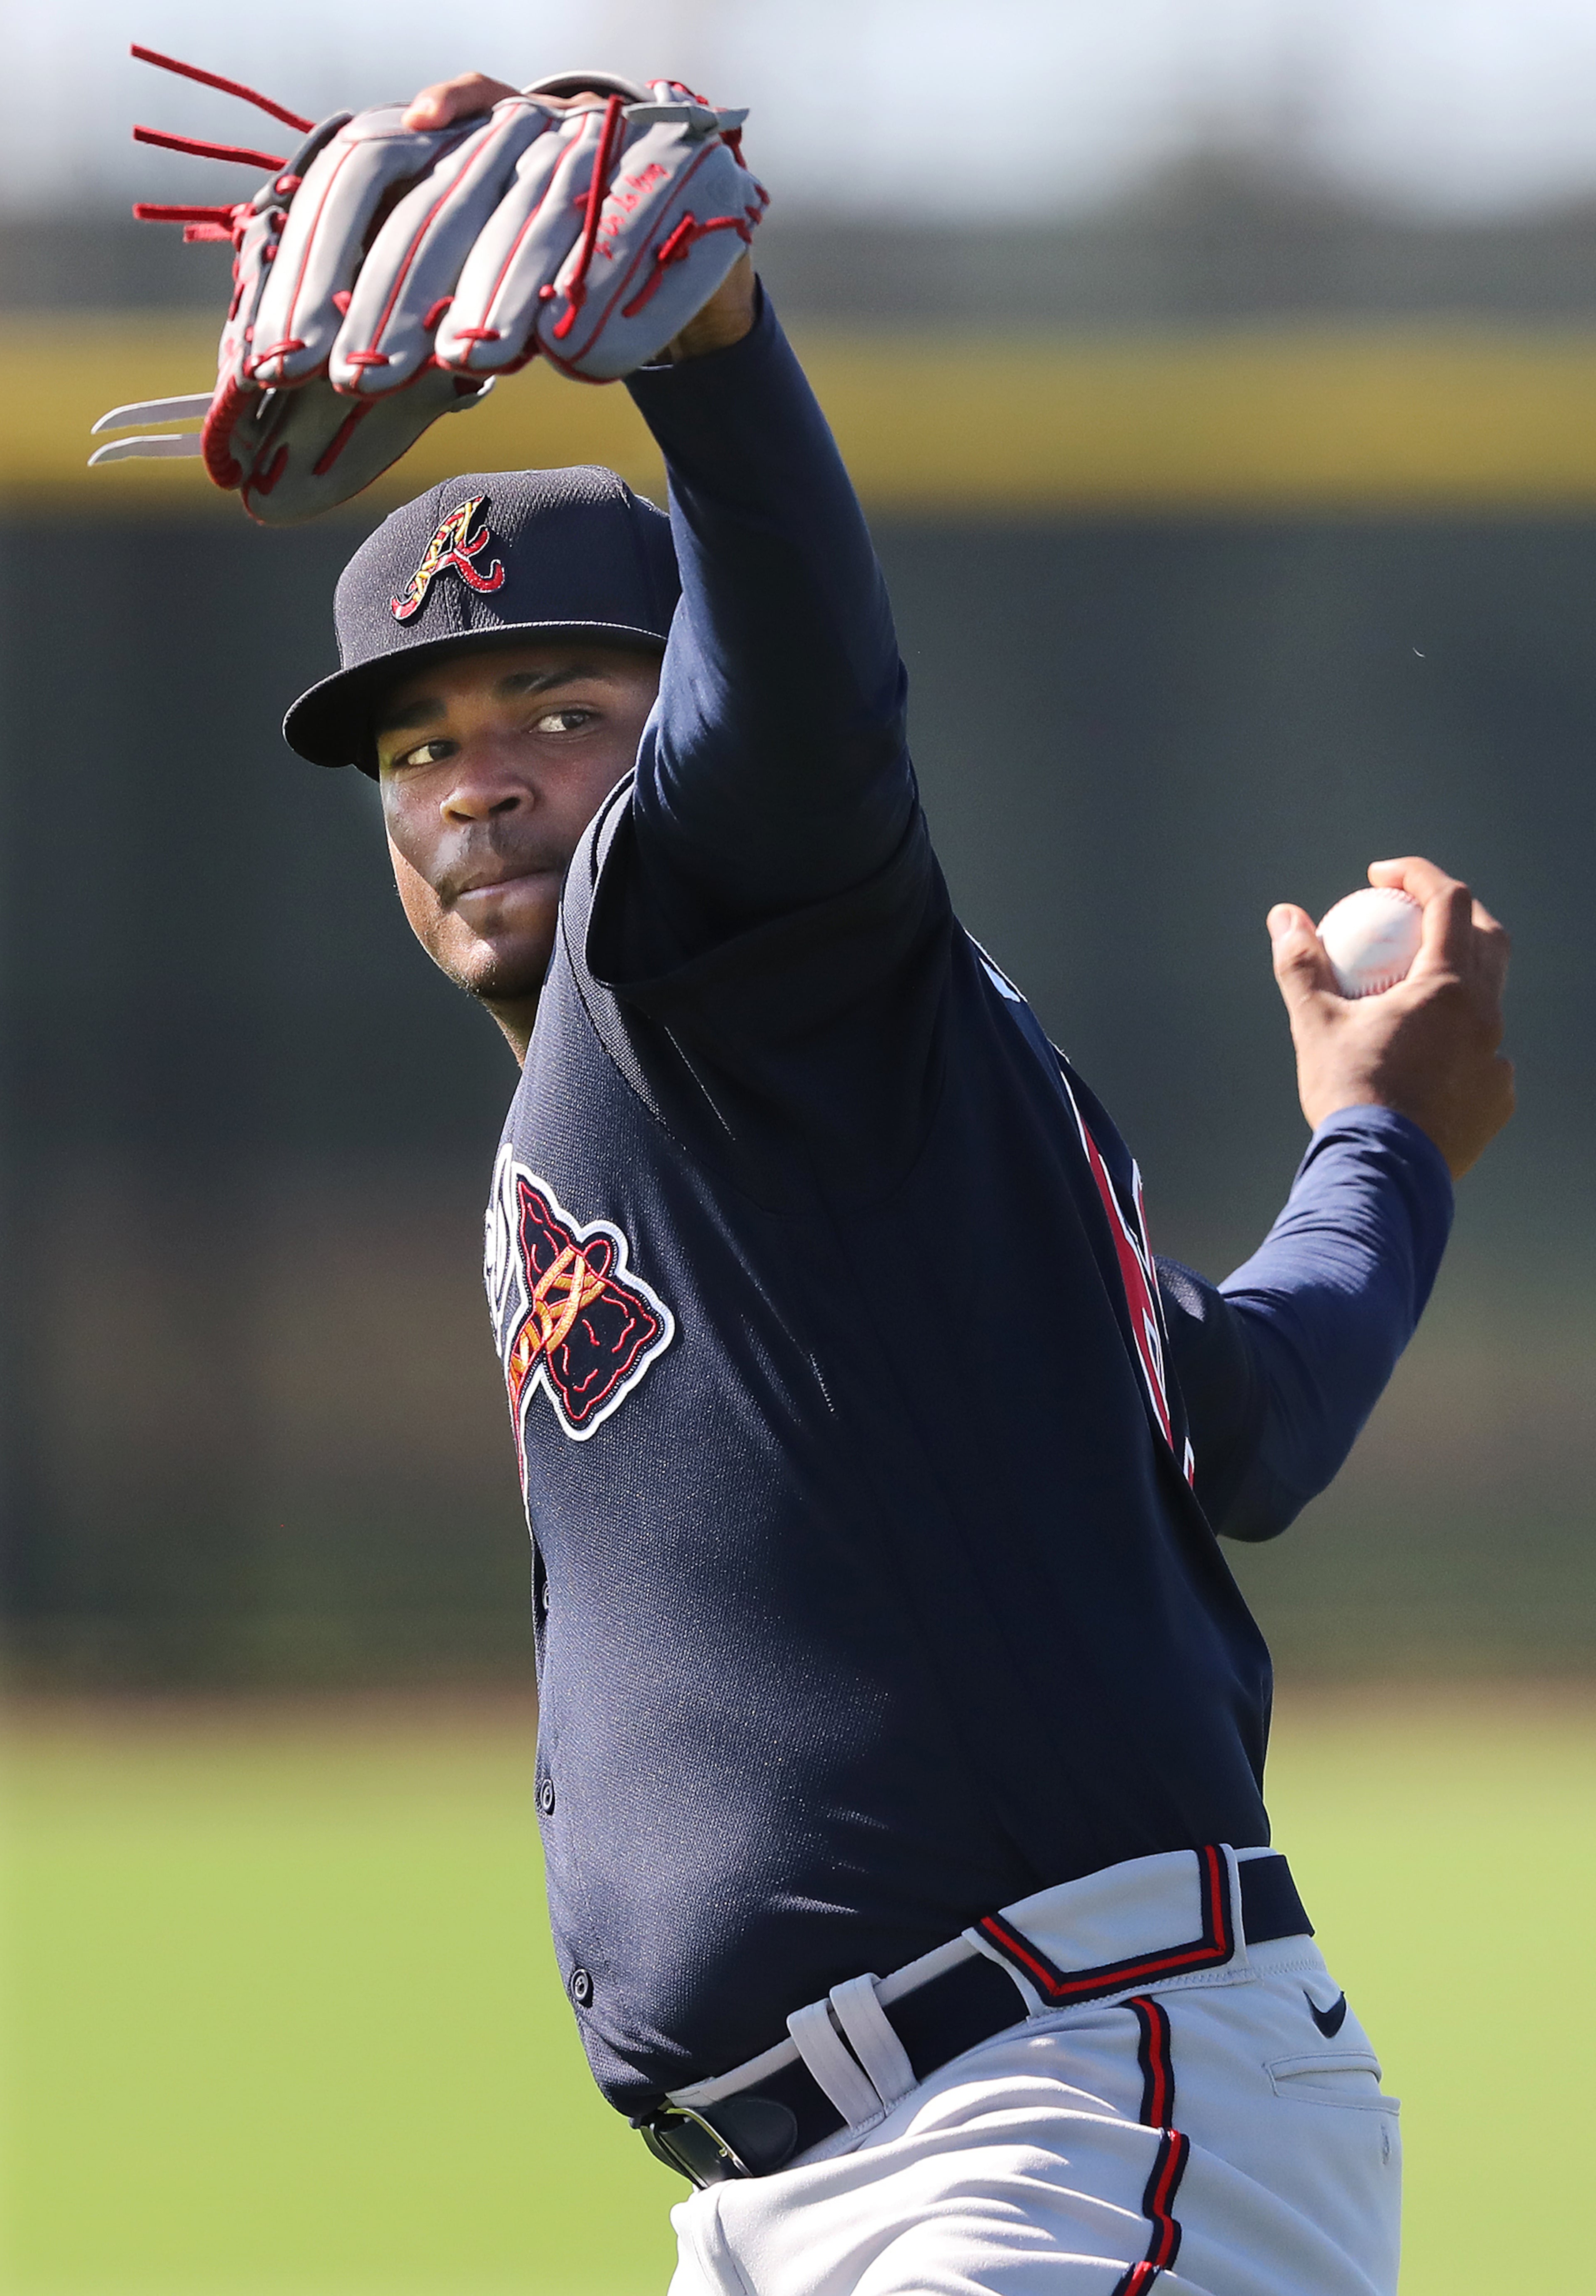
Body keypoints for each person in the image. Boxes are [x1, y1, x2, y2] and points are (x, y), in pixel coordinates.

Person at [281, 68, 1513, 2296]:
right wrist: (1387, 1148)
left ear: (672, 733)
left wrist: (715, 355)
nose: (476, 786)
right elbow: (1235, 1423)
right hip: (849, 2175)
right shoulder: (800, 1113)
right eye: (417, 745)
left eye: (555, 707)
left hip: (1051, 2109)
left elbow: (807, 700)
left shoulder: (723, 935)